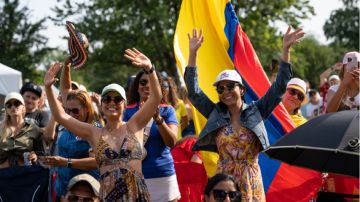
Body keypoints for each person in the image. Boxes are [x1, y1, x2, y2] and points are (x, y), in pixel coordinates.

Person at [184, 27, 304, 201]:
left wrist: (285, 51)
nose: (226, 91)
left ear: (241, 90)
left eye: (231, 86)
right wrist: (193, 54)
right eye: (221, 88)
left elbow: (279, 88)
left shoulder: (256, 110)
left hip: (250, 182)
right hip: (223, 184)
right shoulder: (215, 113)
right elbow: (194, 93)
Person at [44, 48, 162, 201]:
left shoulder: (134, 125)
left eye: (117, 99)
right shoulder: (94, 132)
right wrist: (47, 87)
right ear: (101, 105)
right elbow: (61, 116)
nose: (111, 103)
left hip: (137, 197)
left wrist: (150, 68)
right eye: (106, 99)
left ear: (124, 104)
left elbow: (156, 97)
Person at [124, 71, 180, 201]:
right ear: (137, 87)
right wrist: (141, 116)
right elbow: (124, 144)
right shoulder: (127, 111)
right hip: (135, 175)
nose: (147, 86)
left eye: (152, 82)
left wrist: (158, 119)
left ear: (158, 88)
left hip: (162, 174)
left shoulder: (167, 110)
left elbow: (172, 142)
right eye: (143, 82)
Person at [0, 92, 49, 168]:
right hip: (3, 175)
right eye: (9, 105)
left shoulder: (33, 129)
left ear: (23, 107)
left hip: (25, 175)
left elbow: (42, 154)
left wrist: (35, 156)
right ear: (6, 109)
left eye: (16, 103)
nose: (13, 107)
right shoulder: (0, 128)